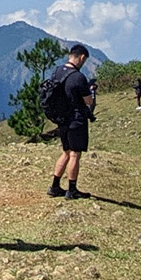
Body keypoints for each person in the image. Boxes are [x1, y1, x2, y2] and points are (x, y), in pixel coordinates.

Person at [41, 42, 94, 198]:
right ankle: (72, 189)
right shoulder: (78, 77)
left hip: (61, 119)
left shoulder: (57, 71)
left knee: (65, 152)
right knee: (75, 154)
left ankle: (55, 186)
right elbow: (88, 101)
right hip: (76, 120)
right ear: (82, 57)